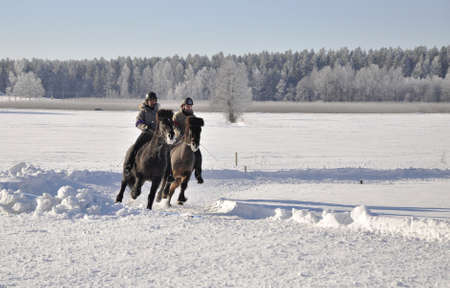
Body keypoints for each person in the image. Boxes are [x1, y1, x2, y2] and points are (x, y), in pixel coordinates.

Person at [124, 91, 160, 175]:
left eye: (154, 100)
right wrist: (145, 127)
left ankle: (169, 171)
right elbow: (138, 123)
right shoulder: (143, 111)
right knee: (135, 147)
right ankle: (128, 166)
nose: (152, 102)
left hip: (156, 135)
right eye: (151, 100)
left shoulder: (158, 111)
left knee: (166, 149)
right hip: (146, 134)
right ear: (147, 101)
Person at [171, 97, 204, 183]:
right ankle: (169, 173)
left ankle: (198, 174)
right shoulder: (177, 115)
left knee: (198, 154)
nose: (189, 107)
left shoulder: (193, 117)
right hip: (178, 139)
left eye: (190, 106)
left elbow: (195, 129)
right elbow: (174, 126)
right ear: (183, 106)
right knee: (168, 151)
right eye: (187, 106)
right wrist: (179, 133)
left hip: (189, 140)